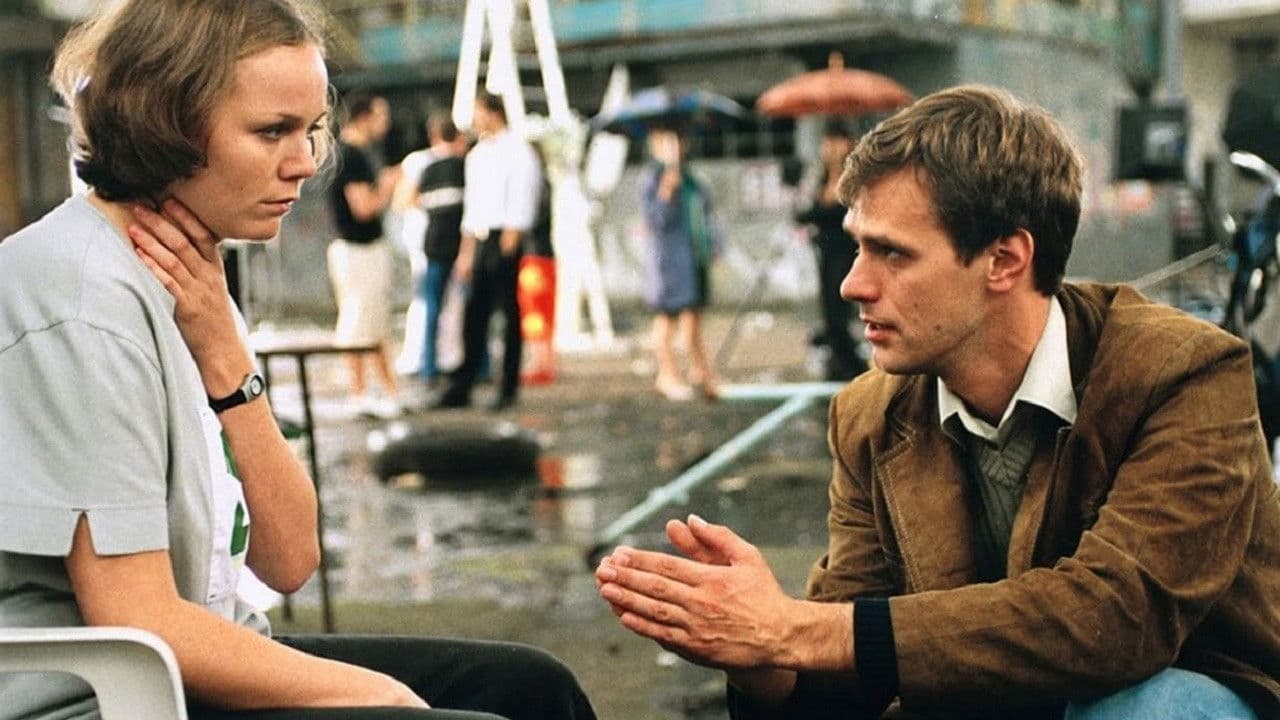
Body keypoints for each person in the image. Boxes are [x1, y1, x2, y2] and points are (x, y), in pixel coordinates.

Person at [596, 85, 1280, 719]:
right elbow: (842, 666)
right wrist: (757, 651)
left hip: (1192, 690)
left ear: (1004, 261)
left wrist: (801, 629)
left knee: (1148, 707)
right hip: (993, 704)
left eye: (892, 253)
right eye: (856, 247)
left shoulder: (1183, 374)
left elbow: (1119, 618)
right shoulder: (870, 416)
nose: (853, 284)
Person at [0, 3, 599, 719]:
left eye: (310, 129)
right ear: (166, 126)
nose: (306, 162)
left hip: (199, 656)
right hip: (103, 699)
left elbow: (289, 558)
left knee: (533, 688)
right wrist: (383, 695)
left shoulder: (191, 278)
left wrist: (227, 359)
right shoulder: (77, 302)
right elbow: (140, 621)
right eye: (271, 132)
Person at [432, 91, 542, 411]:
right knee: (474, 314)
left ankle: (507, 387)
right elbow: (473, 207)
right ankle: (463, 384)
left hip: (504, 235)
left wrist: (513, 234)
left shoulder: (517, 150)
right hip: (479, 237)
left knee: (508, 313)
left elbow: (522, 195)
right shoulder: (477, 155)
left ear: (493, 112)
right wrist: (466, 253)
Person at [327, 91, 403, 419]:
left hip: (363, 249)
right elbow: (364, 208)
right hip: (359, 250)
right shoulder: (352, 155)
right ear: (365, 117)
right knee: (358, 324)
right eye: (380, 115)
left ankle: (389, 391)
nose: (385, 123)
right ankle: (358, 393)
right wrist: (387, 185)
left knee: (374, 323)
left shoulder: (353, 153)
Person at [640, 127, 721, 402]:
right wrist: (666, 191)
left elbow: (706, 215)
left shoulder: (691, 179)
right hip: (668, 262)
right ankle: (667, 374)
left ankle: (702, 372)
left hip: (693, 259)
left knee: (692, 319)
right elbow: (655, 221)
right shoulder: (652, 179)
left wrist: (713, 244)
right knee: (666, 319)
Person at [795, 122, 867, 381]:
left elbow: (838, 209)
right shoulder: (821, 176)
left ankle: (852, 365)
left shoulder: (854, 177)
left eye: (835, 142)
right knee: (829, 312)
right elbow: (811, 209)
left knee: (839, 311)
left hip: (845, 251)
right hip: (825, 251)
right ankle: (839, 363)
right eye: (827, 143)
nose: (830, 149)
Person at [403, 113, 470, 386]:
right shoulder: (465, 167)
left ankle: (429, 366)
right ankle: (473, 366)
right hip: (461, 246)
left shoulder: (426, 168)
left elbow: (406, 200)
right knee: (466, 308)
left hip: (433, 245)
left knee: (431, 306)